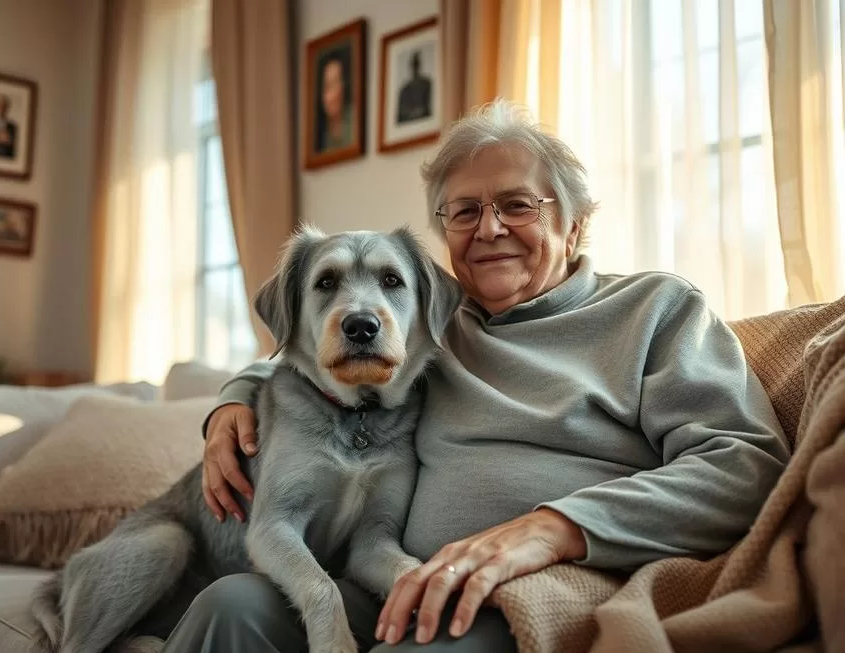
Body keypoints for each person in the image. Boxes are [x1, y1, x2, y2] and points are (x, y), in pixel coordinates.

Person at [161, 100, 790, 652]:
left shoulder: (656, 310)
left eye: (517, 205)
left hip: (543, 587)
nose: (489, 229)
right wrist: (232, 403)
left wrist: (557, 528)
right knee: (231, 607)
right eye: (464, 212)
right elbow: (311, 351)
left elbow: (744, 462)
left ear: (573, 225)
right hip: (401, 582)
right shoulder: (437, 324)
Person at [318, 54, 353, 151]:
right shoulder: (319, 132)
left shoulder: (354, 122)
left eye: (336, 83)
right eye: (327, 87)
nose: (331, 96)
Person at [397, 50, 432, 123]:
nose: (415, 68)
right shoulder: (405, 89)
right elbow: (401, 112)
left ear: (419, 65)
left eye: (416, 64)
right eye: (413, 65)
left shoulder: (426, 83)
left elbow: (428, 107)